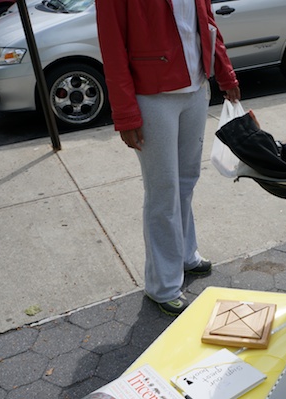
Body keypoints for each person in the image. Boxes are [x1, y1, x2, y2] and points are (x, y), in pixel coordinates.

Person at [95, 0, 241, 316]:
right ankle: (162, 285)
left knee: (187, 181)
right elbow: (112, 47)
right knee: (163, 192)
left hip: (196, 89)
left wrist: (226, 75)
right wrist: (125, 113)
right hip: (152, 97)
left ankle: (186, 255)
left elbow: (208, 25)